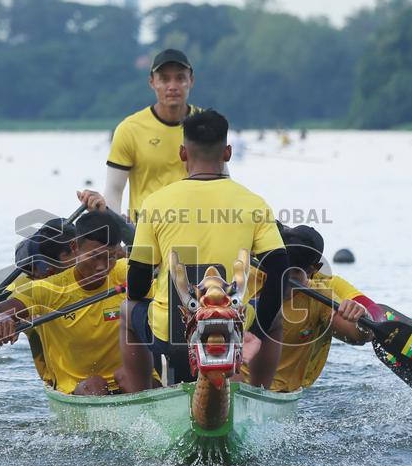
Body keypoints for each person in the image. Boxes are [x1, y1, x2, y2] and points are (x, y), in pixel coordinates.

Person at [119, 110, 290, 392]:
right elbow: (280, 271)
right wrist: (256, 332)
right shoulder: (254, 203)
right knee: (276, 318)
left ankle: (143, 396)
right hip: (231, 329)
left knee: (128, 310)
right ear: (228, 153)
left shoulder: (155, 203)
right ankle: (256, 394)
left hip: (171, 335)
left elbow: (136, 285)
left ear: (183, 154)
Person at [0, 209, 132, 396]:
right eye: (94, 257)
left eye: (110, 257)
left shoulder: (125, 272)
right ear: (75, 247)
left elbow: (162, 262)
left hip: (126, 377)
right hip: (81, 386)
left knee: (132, 378)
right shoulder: (43, 288)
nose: (101, 267)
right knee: (95, 384)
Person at [240, 225, 375, 392]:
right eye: (278, 272)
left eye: (292, 276)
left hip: (279, 392)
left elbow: (360, 337)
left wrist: (363, 317)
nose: (281, 284)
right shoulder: (246, 278)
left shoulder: (321, 298)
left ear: (313, 270)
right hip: (235, 380)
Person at [0, 217, 79, 385]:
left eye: (45, 267)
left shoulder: (100, 269)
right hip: (62, 379)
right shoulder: (29, 284)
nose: (38, 274)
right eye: (30, 270)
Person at [104, 48, 203, 219]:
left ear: (191, 81)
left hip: (195, 228)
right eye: (164, 79)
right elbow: (114, 190)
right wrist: (113, 237)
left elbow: (222, 180)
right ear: (152, 82)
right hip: (145, 232)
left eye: (180, 78)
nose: (172, 86)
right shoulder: (129, 129)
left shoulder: (206, 124)